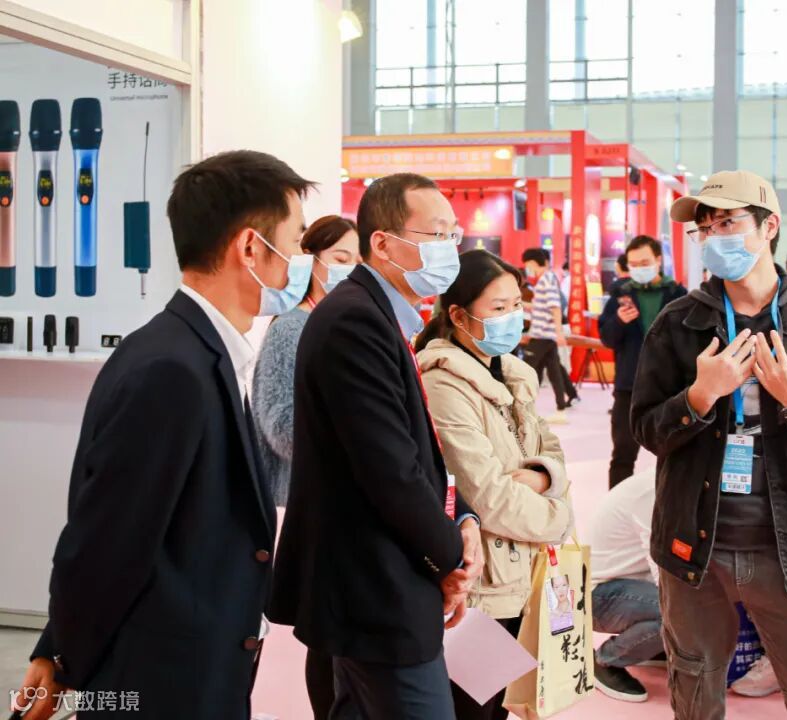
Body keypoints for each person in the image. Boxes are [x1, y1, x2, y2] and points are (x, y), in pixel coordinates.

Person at [13, 151, 312, 720]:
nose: (300, 262)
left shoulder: (201, 351)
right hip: (163, 677)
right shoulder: (171, 368)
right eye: (295, 242)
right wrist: (62, 654)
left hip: (196, 665)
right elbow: (108, 535)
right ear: (251, 249)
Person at [633, 169, 787, 719]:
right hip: (694, 544)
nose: (713, 237)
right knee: (695, 689)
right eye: (704, 228)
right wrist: (700, 395)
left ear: (770, 227)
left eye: (727, 222)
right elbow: (646, 430)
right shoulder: (679, 324)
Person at [268, 173, 483, 720]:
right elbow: (389, 470)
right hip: (374, 586)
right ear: (384, 243)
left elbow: (416, 451)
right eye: (436, 234)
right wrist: (451, 558)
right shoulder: (355, 321)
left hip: (379, 578)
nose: (449, 249)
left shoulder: (380, 315)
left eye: (453, 234)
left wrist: (463, 520)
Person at [414, 249, 574, 720]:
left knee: (501, 706)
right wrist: (559, 514)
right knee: (474, 708)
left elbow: (553, 452)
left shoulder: (513, 373)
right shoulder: (444, 384)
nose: (512, 317)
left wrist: (543, 475)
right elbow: (488, 497)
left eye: (517, 304)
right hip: (482, 587)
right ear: (459, 315)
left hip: (524, 575)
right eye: (498, 308)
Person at [250, 215, 360, 720]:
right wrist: (355, 438)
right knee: (327, 634)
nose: (349, 270)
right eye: (339, 258)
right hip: (306, 502)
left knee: (341, 633)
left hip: (343, 500)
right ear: (311, 261)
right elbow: (278, 423)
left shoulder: (342, 324)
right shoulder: (292, 327)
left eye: (357, 261)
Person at [599, 235, 687, 488]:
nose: (639, 268)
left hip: (670, 388)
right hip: (629, 386)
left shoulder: (678, 295)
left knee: (674, 452)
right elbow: (607, 338)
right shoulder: (620, 295)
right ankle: (615, 506)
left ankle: (671, 504)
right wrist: (619, 321)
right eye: (634, 264)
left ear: (658, 260)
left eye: (645, 263)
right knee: (622, 454)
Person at [588, 468, 665, 703]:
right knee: (679, 613)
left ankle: (652, 645)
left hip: (626, 586)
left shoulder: (664, 482)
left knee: (687, 609)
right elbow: (661, 564)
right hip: (598, 595)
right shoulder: (651, 492)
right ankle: (604, 661)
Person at [522, 247, 578, 421]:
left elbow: (555, 307)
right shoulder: (544, 280)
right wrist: (521, 304)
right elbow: (542, 307)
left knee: (527, 371)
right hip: (544, 335)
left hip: (543, 336)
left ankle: (523, 408)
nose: (527, 268)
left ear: (532, 262)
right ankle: (560, 408)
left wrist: (558, 332)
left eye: (527, 264)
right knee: (554, 371)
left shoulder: (546, 279)